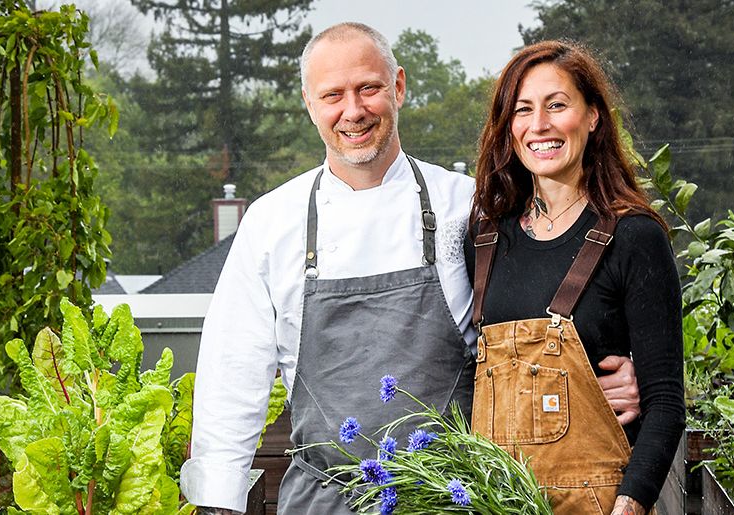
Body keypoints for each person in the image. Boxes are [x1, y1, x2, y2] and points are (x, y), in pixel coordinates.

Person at [180, 24, 642, 514]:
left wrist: (600, 379)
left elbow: (543, 317)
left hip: (455, 498)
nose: (353, 111)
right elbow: (231, 377)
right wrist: (218, 501)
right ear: (308, 103)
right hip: (323, 499)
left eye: (368, 88)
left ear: (398, 87)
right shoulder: (271, 223)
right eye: (332, 95)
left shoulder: (470, 207)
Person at [465, 40, 685, 515]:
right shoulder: (484, 239)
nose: (539, 125)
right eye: (523, 110)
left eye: (557, 105)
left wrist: (629, 507)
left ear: (593, 117)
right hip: (497, 502)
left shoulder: (634, 237)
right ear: (508, 127)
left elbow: (666, 404)